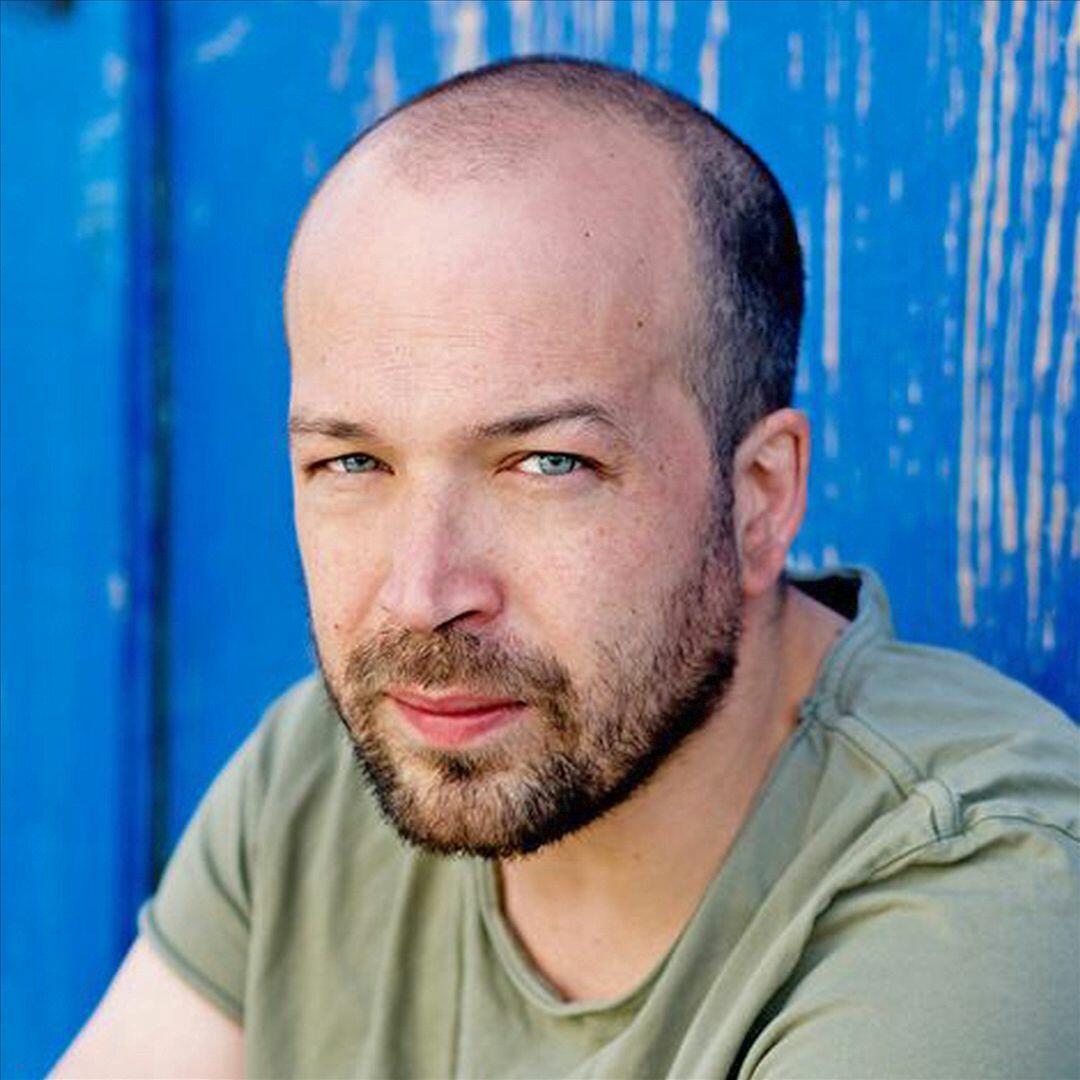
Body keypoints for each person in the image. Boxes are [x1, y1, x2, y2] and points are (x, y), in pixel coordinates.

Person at [54, 57, 1078, 1079]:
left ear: (760, 497)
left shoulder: (985, 890)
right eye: (354, 462)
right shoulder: (326, 776)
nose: (423, 596)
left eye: (548, 464)